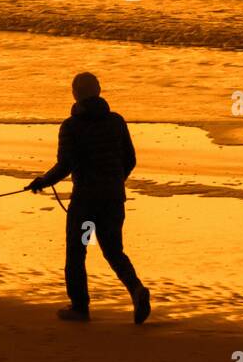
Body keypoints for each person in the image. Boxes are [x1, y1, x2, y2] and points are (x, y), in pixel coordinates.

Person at [27, 72, 151, 324]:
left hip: (85, 203)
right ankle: (136, 289)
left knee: (77, 251)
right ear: (99, 90)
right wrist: (114, 182)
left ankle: (80, 308)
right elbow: (130, 160)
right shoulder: (116, 121)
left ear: (75, 94)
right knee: (113, 250)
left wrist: (42, 182)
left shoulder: (71, 126)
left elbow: (65, 166)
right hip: (113, 200)